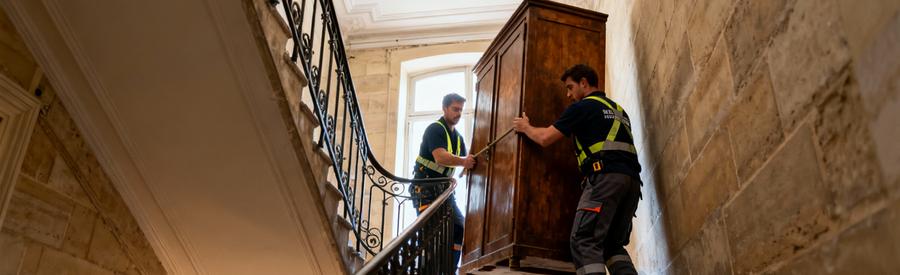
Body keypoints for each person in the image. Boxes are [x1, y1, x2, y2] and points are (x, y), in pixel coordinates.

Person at [512, 64, 641, 275]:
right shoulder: (619, 110)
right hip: (632, 184)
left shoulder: (582, 107)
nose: (568, 94)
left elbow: (545, 138)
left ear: (584, 83)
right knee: (612, 246)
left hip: (604, 180)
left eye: (570, 87)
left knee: (584, 240)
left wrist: (526, 127)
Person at [408, 92, 476, 267]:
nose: (458, 113)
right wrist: (464, 162)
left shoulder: (458, 138)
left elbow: (467, 159)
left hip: (444, 192)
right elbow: (441, 157)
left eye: (461, 110)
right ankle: (428, 269)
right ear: (444, 108)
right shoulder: (435, 129)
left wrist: (469, 165)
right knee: (431, 235)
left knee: (459, 226)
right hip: (426, 189)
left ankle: (449, 269)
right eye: (455, 109)